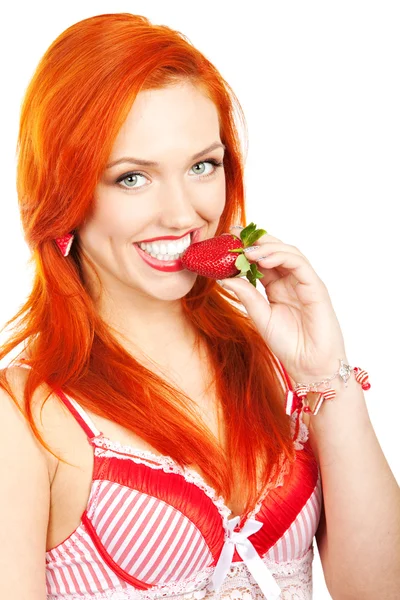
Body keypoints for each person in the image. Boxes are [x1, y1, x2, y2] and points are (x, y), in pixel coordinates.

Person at [0, 12, 398, 600]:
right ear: (64, 196)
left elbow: (380, 590)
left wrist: (325, 377)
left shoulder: (275, 362)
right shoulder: (24, 418)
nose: (184, 214)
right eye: (132, 178)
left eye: (202, 166)